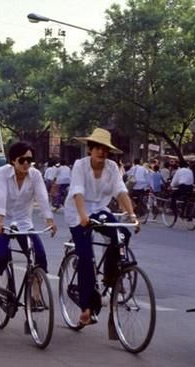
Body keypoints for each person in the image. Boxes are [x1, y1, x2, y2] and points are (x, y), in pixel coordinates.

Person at [64, 128, 138, 327]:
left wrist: (131, 214)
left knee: (122, 235)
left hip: (99, 209)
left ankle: (109, 276)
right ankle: (86, 308)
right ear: (90, 149)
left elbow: (120, 191)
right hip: (77, 212)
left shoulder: (112, 167)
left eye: (105, 149)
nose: (102, 153)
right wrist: (82, 216)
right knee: (86, 257)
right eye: (98, 148)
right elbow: (77, 191)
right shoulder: (80, 165)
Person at [0, 141, 57, 305]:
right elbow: (1, 196)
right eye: (22, 160)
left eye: (29, 160)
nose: (26, 164)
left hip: (24, 222)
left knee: (40, 256)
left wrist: (50, 220)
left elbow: (42, 197)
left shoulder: (35, 175)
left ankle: (35, 295)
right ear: (13, 161)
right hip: (2, 221)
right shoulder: (2, 173)